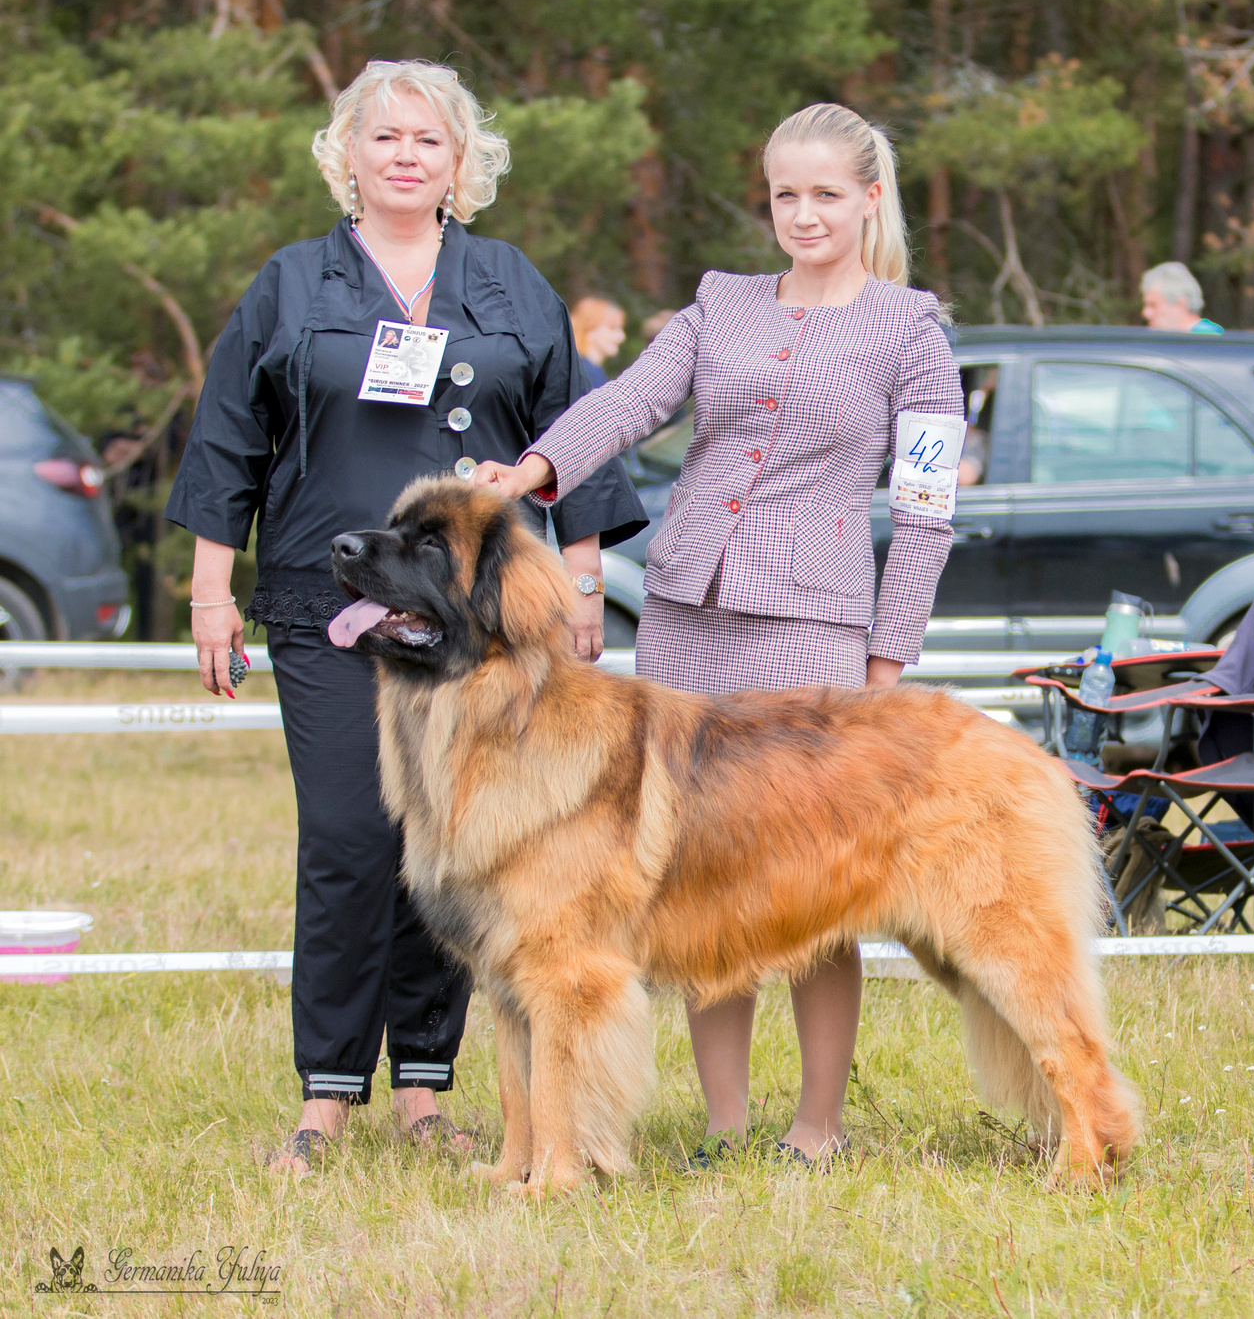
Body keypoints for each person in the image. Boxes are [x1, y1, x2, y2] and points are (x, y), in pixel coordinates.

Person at [165, 60, 646, 1177]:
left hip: (471, 619)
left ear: (462, 161)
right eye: (384, 136)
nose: (405, 155)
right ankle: (326, 1092)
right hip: (326, 601)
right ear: (346, 153)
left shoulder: (512, 281)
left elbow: (571, 434)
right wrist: (208, 591)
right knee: (349, 837)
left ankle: (426, 1086)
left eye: (429, 139)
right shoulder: (290, 285)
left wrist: (579, 586)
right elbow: (227, 442)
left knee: (452, 843)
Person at [472, 103, 963, 1167]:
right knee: (696, 877)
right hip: (687, 619)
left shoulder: (912, 329)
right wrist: (530, 472)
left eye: (826, 193)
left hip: (816, 631)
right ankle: (726, 1125)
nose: (803, 212)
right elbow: (631, 403)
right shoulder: (719, 302)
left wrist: (887, 663)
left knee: (814, 884)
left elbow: (925, 508)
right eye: (785, 193)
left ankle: (816, 1127)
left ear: (869, 198)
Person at [1139, 262, 1223, 333]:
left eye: (1153, 305)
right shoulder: (1174, 343)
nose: (1146, 313)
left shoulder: (1210, 339)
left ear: (1180, 303)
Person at [569, 296, 628, 391]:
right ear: (589, 329)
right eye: (613, 328)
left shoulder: (591, 370)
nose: (621, 337)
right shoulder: (585, 373)